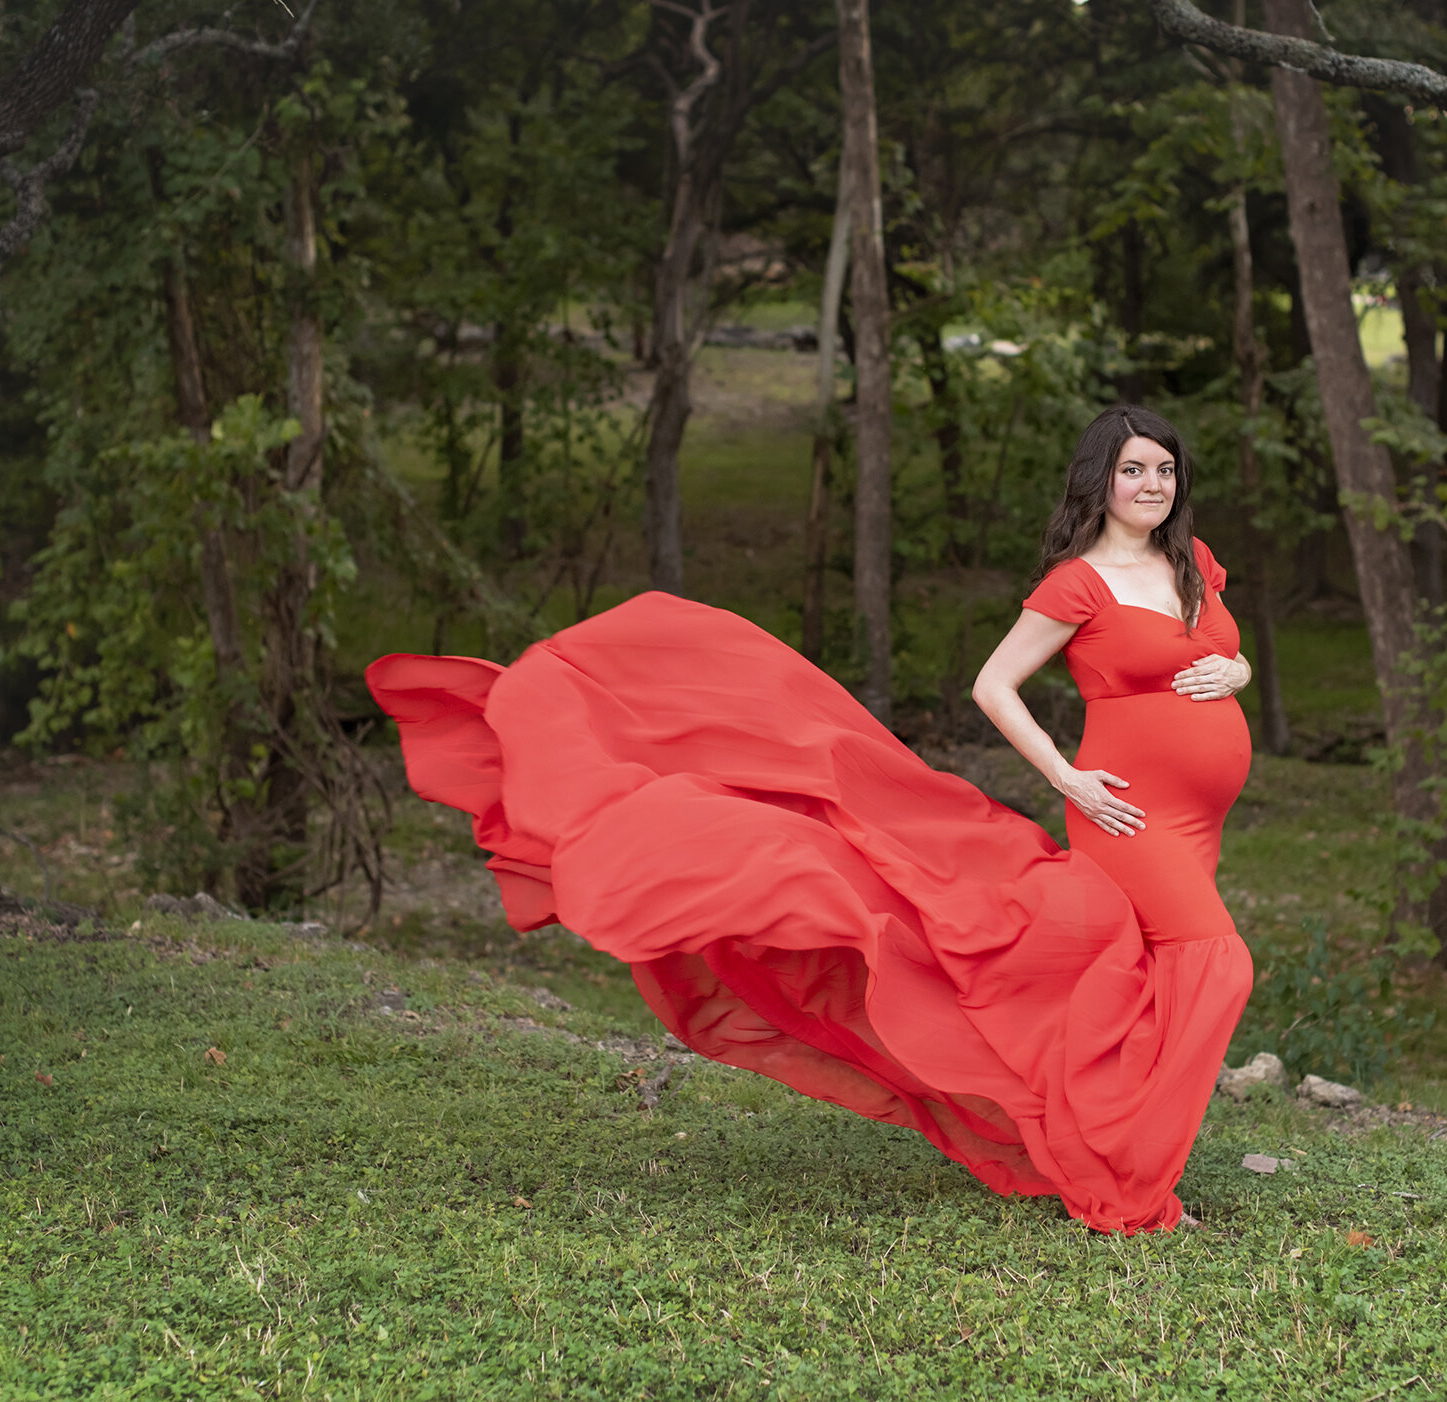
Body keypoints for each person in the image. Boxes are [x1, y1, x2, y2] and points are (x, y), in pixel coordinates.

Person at [364, 405, 1254, 1234]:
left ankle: (1102, 1134)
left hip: (1197, 816)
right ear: (1101, 480)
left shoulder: (1192, 563)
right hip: (1127, 813)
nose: (1154, 485)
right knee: (1216, 961)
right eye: (1135, 469)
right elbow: (993, 686)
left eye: (1166, 471)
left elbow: (1227, 650)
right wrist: (1068, 775)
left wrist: (1236, 677)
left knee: (1125, 977)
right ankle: (1127, 1181)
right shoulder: (1079, 584)